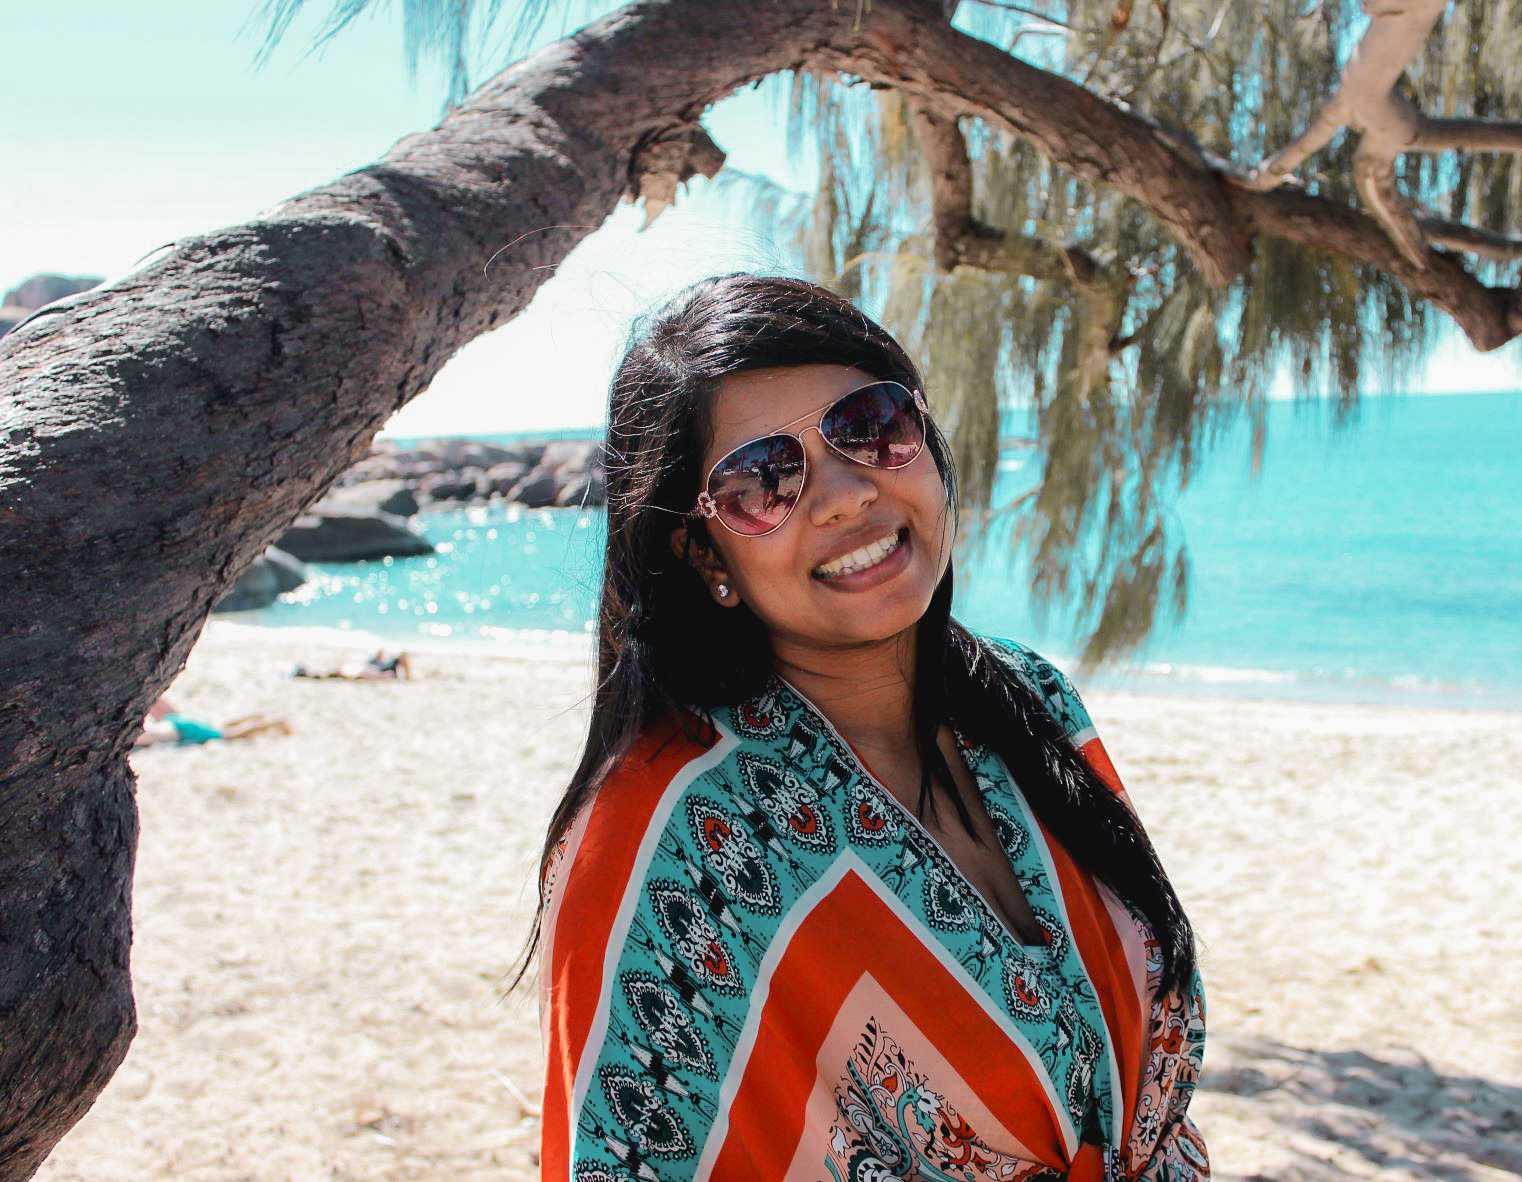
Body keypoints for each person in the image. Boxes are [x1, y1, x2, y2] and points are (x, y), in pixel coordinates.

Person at [514, 274, 1208, 1180]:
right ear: (702, 552)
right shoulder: (668, 837)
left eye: (871, 426)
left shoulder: (1034, 704)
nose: (843, 496)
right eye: (762, 480)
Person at [133, 693, 292, 747]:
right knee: (220, 727)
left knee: (228, 734)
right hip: (173, 723)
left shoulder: (142, 736)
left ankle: (275, 722)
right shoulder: (148, 731)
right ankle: (255, 717)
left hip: (179, 729)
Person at [289, 646, 412, 681]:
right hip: (370, 669)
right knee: (338, 673)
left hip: (369, 669)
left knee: (338, 673)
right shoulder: (388, 668)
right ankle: (306, 673)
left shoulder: (387, 669)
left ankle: (306, 673)